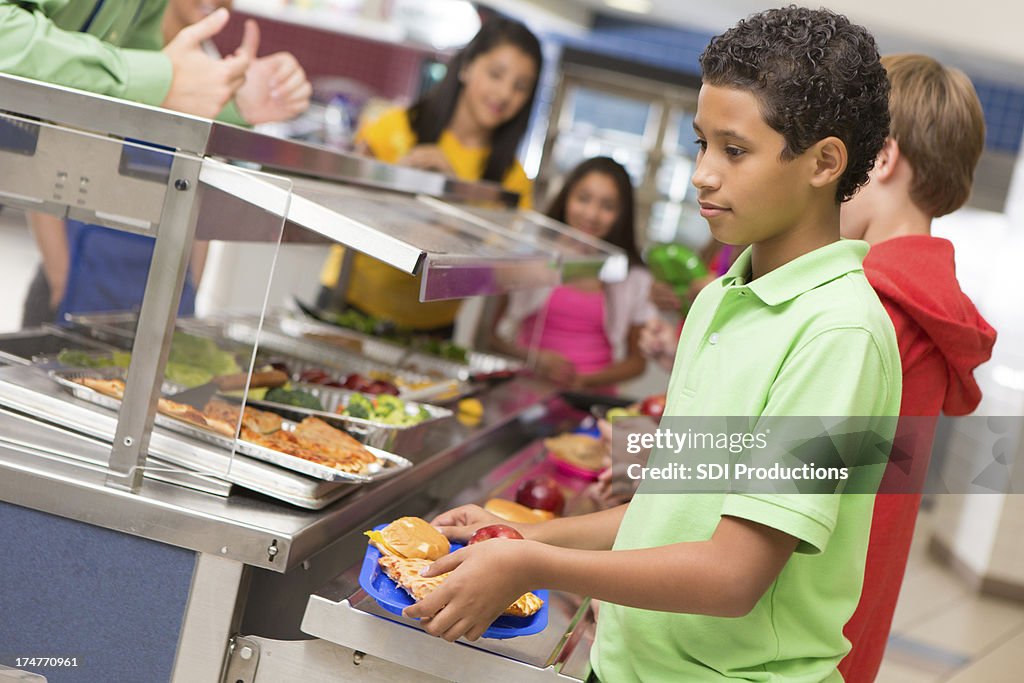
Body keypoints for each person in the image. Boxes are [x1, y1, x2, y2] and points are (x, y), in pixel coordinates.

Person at [404, 9, 900, 683]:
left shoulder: (839, 334)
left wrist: (533, 564)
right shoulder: (723, 297)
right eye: (701, 144)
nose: (701, 174)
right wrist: (519, 533)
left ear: (824, 162)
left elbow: (733, 574)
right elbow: (665, 511)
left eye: (734, 150)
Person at [837, 54, 997, 682]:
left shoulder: (871, 305)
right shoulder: (927, 300)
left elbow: (790, 471)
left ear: (879, 157)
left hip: (794, 630)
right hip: (856, 616)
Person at [10, 0, 311, 326]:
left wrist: (233, 104)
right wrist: (60, 277)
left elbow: (127, 96)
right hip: (82, 273)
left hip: (154, 288)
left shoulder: (155, 32)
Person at [316, 17, 542, 334]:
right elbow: (335, 204)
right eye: (496, 74)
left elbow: (501, 275)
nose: (504, 94)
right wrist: (389, 183)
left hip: (432, 329)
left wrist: (455, 198)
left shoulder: (514, 179)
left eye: (520, 86)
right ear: (465, 68)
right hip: (349, 304)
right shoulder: (394, 126)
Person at [487, 157, 656, 390]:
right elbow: (492, 338)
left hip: (590, 399)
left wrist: (585, 381)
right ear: (566, 198)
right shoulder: (531, 258)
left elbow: (637, 363)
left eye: (607, 206)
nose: (591, 214)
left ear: (621, 215)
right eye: (583, 199)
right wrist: (534, 359)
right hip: (524, 390)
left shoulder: (632, 275)